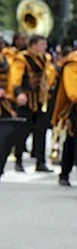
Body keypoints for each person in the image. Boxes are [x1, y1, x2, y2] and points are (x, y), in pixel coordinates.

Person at [10, 34, 55, 173]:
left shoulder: (45, 59)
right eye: (42, 44)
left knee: (41, 131)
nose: (45, 47)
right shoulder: (22, 59)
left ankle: (40, 161)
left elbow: (50, 75)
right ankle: (18, 160)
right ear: (33, 45)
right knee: (23, 131)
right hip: (27, 99)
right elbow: (15, 77)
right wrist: (19, 93)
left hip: (41, 99)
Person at [52, 39, 77, 186]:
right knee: (72, 141)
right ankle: (65, 173)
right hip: (75, 108)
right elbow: (73, 92)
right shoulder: (72, 63)